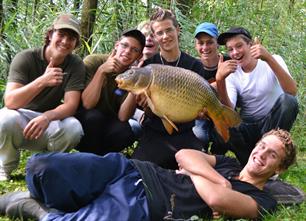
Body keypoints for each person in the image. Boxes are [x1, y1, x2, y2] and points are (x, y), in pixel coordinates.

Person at [0, 129, 300, 220]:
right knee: (40, 167)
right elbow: (184, 154)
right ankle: (62, 200)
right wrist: (218, 176)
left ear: (279, 169)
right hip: (130, 169)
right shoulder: (227, 164)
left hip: (148, 202)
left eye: (271, 154)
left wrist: (203, 176)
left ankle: (34, 208)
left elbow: (217, 199)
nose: (260, 154)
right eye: (261, 146)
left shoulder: (261, 200)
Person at [0, 13, 85, 181]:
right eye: (61, 35)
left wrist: (47, 117)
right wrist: (42, 81)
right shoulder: (26, 58)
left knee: (74, 127)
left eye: (72, 38)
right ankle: (4, 167)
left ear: (76, 43)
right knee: (4, 117)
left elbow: (71, 105)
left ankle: (45, 167)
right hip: (20, 119)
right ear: (50, 34)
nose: (65, 41)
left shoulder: (75, 64)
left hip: (48, 124)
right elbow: (10, 101)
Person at [130, 8, 211, 169]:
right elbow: (142, 108)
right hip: (154, 132)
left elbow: (200, 112)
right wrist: (146, 106)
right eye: (160, 33)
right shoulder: (148, 66)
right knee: (136, 172)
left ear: (177, 30)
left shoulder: (194, 65)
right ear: (154, 37)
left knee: (201, 175)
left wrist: (203, 113)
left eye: (169, 30)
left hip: (185, 133)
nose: (165, 36)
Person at [212, 27, 299, 166]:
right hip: (247, 129)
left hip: (272, 127)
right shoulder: (232, 74)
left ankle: (266, 159)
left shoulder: (273, 60)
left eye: (239, 46)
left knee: (289, 101)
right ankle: (249, 165)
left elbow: (292, 91)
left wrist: (268, 58)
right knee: (224, 121)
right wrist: (220, 79)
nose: (235, 52)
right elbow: (229, 110)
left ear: (251, 45)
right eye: (230, 49)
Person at [74, 29, 145, 155]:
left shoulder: (130, 74)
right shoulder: (94, 61)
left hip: (109, 122)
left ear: (139, 56)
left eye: (134, 50)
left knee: (125, 131)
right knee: (94, 118)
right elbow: (87, 104)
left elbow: (123, 117)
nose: (127, 52)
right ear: (117, 45)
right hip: (84, 120)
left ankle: (101, 161)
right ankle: (89, 158)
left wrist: (135, 85)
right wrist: (101, 71)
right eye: (124, 45)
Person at [192, 22, 232, 151]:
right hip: (201, 114)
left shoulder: (229, 62)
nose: (205, 47)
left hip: (222, 109)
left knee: (226, 134)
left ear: (217, 43)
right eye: (200, 43)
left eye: (209, 42)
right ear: (195, 45)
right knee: (198, 135)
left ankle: (218, 158)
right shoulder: (193, 66)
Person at [128, 20, 159, 138]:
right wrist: (138, 114)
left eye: (152, 35)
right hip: (132, 119)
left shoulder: (165, 69)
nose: (149, 39)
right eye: (144, 35)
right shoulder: (127, 64)